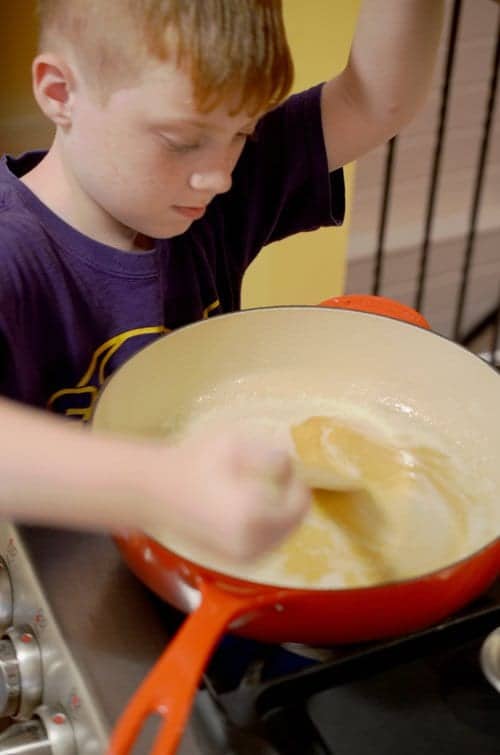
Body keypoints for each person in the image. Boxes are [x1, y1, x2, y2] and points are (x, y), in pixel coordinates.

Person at [0, 0, 444, 561]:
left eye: (242, 133)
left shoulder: (204, 202)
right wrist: (163, 484)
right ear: (60, 92)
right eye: (181, 140)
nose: (220, 176)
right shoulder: (12, 252)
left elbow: (375, 101)